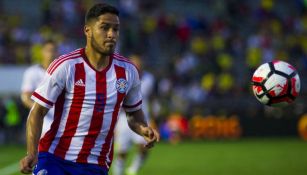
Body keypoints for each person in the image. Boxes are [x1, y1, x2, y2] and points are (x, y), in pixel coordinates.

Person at [19, 3, 160, 175]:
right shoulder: (66, 66)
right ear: (88, 30)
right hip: (55, 158)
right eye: (105, 28)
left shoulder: (128, 71)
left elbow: (133, 112)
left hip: (96, 164)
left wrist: (143, 128)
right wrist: (32, 152)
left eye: (115, 29)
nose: (111, 34)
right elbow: (37, 111)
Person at [113, 55, 155, 175]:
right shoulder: (123, 78)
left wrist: (152, 118)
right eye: (135, 64)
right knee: (122, 151)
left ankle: (133, 169)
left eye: (139, 64)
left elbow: (151, 98)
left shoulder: (149, 79)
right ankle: (118, 173)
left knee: (144, 146)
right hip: (123, 119)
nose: (137, 67)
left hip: (143, 117)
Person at [21, 40, 57, 136]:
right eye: (48, 50)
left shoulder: (62, 71)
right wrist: (38, 111)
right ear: (42, 52)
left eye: (54, 50)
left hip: (59, 118)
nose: (51, 53)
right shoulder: (32, 72)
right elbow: (25, 97)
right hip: (41, 118)